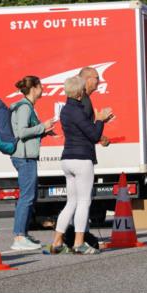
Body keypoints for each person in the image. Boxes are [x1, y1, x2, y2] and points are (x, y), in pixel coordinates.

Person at [44, 75, 113, 255]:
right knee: (84, 201)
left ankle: (57, 241)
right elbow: (93, 135)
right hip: (82, 159)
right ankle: (79, 243)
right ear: (81, 92)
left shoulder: (66, 110)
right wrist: (100, 120)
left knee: (71, 202)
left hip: (67, 158)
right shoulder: (79, 111)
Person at [10, 75, 58, 250]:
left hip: (26, 156)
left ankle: (23, 234)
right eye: (41, 86)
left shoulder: (27, 106)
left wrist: (44, 132)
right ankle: (19, 237)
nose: (43, 89)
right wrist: (42, 126)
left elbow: (27, 132)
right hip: (24, 157)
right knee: (27, 197)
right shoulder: (24, 107)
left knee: (30, 196)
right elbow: (22, 132)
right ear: (34, 88)